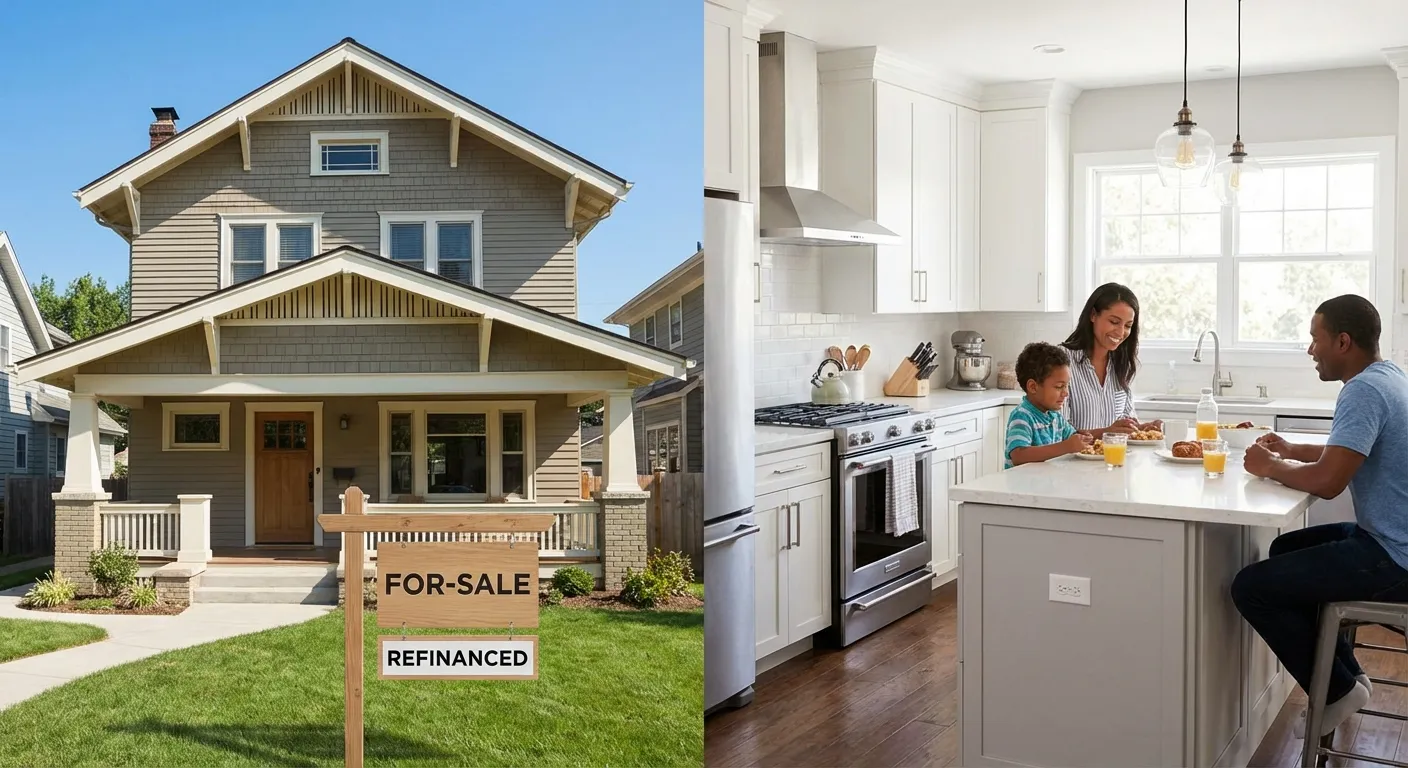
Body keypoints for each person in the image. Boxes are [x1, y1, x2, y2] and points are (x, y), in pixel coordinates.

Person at [1232, 294, 1408, 740]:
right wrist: (1291, 451)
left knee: (1251, 586)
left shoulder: (1363, 390)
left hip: (1394, 556)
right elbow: (1348, 451)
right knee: (1285, 547)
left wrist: (1270, 467)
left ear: (1343, 342)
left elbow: (1329, 481)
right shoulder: (1387, 376)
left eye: (1316, 339)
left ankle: (1335, 691)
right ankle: (1348, 679)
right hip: (1391, 537)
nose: (1311, 350)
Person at [1059, 282, 1162, 438]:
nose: (1121, 332)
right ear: (1093, 315)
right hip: (1069, 461)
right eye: (1114, 322)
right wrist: (1105, 433)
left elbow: (1123, 422)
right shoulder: (1062, 361)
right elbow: (1056, 431)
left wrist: (1140, 429)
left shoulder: (1121, 364)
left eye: (1128, 325)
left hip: (1113, 460)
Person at [1004, 342, 1093, 469]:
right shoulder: (1022, 416)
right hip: (1022, 487)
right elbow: (1019, 456)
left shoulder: (1055, 417)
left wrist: (1082, 438)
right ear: (1033, 387)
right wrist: (1066, 446)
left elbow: (1071, 436)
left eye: (1067, 385)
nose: (1066, 393)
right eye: (1059, 386)